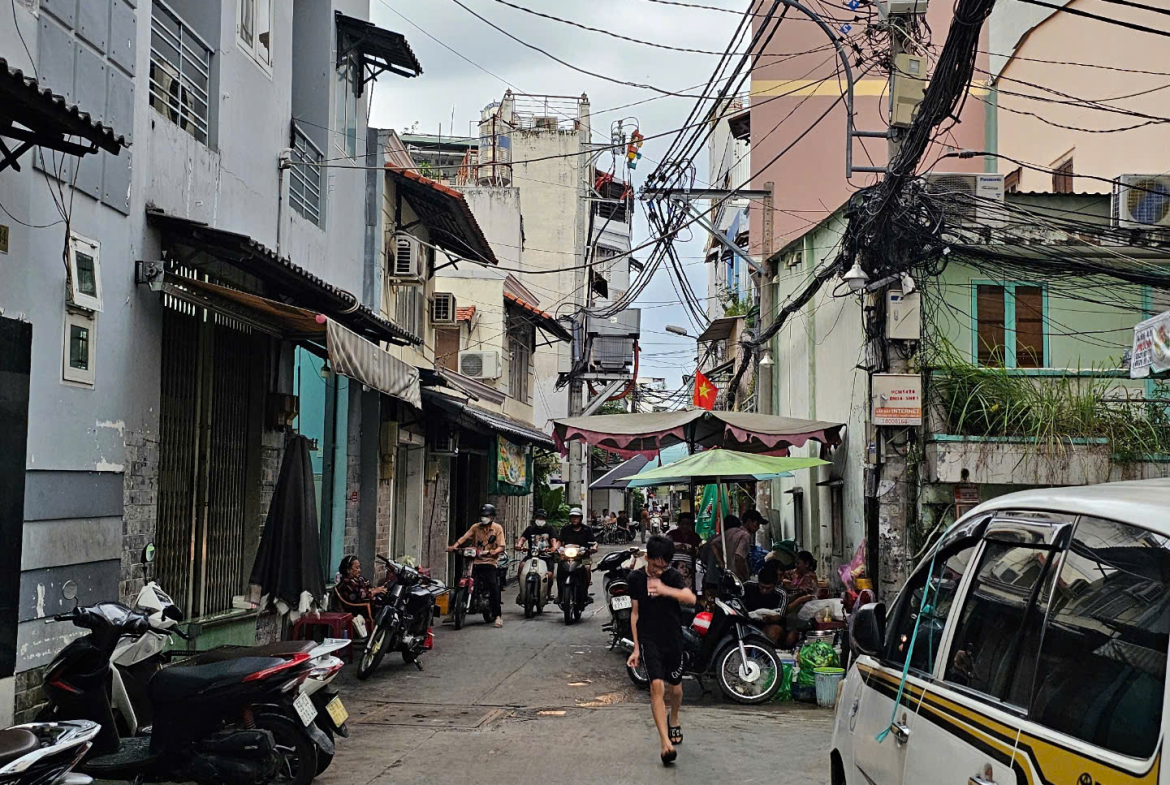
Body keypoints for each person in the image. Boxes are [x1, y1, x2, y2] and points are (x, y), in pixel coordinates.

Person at [627, 535, 696, 765]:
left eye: (663, 566)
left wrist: (665, 589)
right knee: (656, 686)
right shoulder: (635, 578)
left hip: (672, 637)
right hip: (649, 639)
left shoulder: (671, 576)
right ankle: (665, 743)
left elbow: (690, 598)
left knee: (676, 689)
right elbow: (635, 613)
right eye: (656, 565)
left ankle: (673, 717)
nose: (659, 570)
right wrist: (636, 648)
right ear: (647, 558)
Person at [448, 503, 506, 628]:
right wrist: (454, 546)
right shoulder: (475, 527)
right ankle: (453, 611)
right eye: (483, 516)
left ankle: (498, 616)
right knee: (460, 582)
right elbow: (464, 537)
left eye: (487, 516)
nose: (484, 518)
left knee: (493, 586)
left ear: (492, 517)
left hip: (489, 561)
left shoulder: (497, 528)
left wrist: (494, 551)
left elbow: (501, 546)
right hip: (474, 560)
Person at [516, 508, 558, 604]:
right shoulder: (530, 529)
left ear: (545, 519)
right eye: (539, 518)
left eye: (542, 518)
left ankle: (548, 592)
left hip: (546, 556)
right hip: (532, 555)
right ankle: (522, 590)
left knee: (549, 575)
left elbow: (554, 540)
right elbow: (522, 539)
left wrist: (553, 548)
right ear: (535, 518)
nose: (540, 520)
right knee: (521, 567)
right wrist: (519, 545)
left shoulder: (550, 529)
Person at [335, 555, 387, 631]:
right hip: (359, 609)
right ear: (348, 570)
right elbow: (359, 595)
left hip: (367, 603)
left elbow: (369, 587)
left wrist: (377, 590)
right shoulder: (346, 584)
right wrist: (374, 591)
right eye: (356, 568)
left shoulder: (359, 579)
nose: (359, 570)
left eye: (359, 567)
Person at [781, 550, 820, 647]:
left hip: (804, 608)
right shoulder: (796, 573)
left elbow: (802, 593)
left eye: (798, 563)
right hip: (795, 605)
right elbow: (784, 573)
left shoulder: (810, 577)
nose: (796, 566)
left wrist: (790, 588)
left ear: (806, 564)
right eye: (795, 563)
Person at [744, 561, 786, 643]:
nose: (764, 590)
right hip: (747, 623)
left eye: (768, 588)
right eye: (762, 587)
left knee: (774, 631)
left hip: (768, 625)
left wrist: (769, 618)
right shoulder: (747, 586)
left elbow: (780, 617)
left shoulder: (781, 595)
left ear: (775, 585)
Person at [557, 507, 595, 598]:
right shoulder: (565, 529)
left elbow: (594, 542)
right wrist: (557, 548)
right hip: (567, 556)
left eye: (576, 517)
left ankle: (585, 591)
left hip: (584, 556)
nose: (574, 519)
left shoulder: (587, 529)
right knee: (560, 567)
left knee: (587, 568)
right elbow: (559, 541)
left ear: (580, 518)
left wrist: (593, 548)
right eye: (572, 517)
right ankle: (560, 593)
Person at [721, 515, 753, 581]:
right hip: (737, 577)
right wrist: (746, 577)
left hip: (726, 575)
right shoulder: (744, 536)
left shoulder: (724, 537)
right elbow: (739, 557)